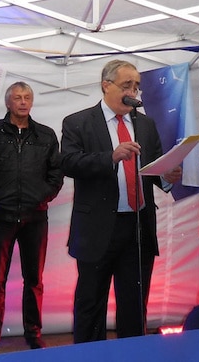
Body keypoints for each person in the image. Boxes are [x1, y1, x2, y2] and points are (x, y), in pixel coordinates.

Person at [61, 59, 182, 343]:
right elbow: (68, 163)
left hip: (137, 227)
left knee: (134, 303)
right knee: (91, 302)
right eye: (127, 85)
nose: (133, 92)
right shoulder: (78, 122)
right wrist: (110, 157)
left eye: (136, 86)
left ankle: (133, 353)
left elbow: (153, 167)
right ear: (106, 85)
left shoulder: (146, 124)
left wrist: (167, 176)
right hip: (97, 227)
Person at [0, 82, 63, 356]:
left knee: (34, 280)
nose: (23, 102)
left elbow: (56, 175)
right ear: (8, 102)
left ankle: (33, 333)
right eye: (18, 98)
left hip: (35, 217)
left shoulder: (46, 135)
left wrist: (40, 198)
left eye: (27, 97)